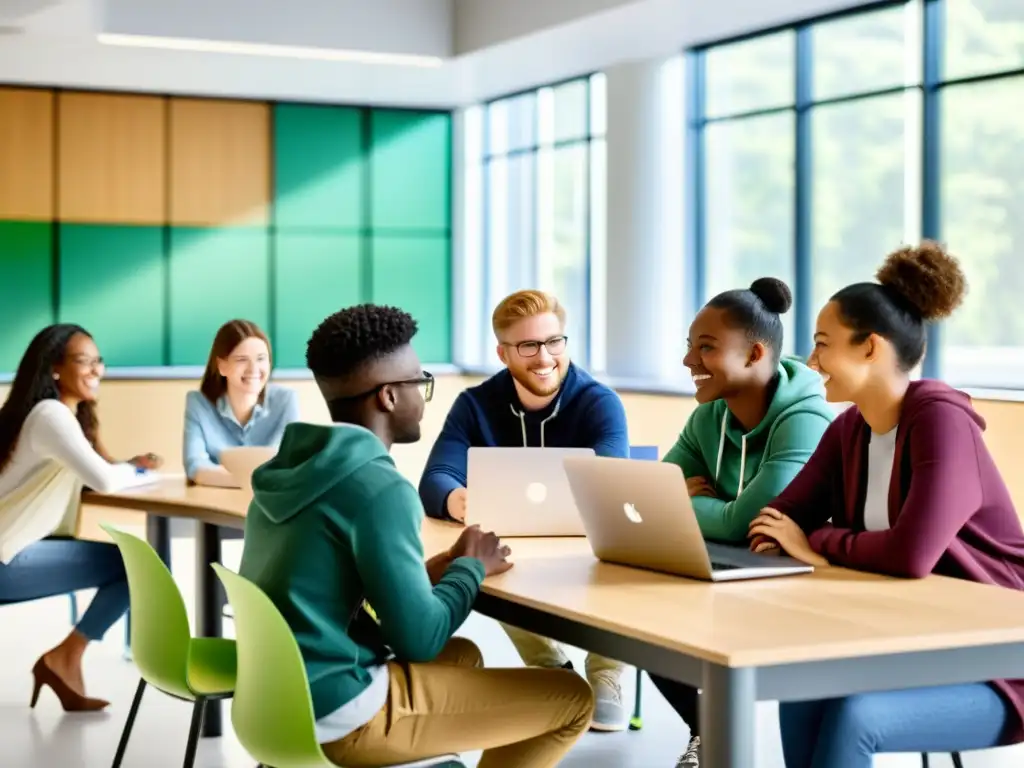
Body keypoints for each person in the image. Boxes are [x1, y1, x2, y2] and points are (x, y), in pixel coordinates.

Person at [238, 304, 595, 768]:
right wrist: (471, 567)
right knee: (571, 698)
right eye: (419, 382)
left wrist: (434, 570)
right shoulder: (378, 487)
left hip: (275, 701)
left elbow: (333, 594)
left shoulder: (290, 471)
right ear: (388, 397)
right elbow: (419, 641)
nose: (424, 396)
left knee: (461, 655)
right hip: (340, 713)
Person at [746, 242, 1024, 768]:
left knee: (856, 717)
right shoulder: (850, 428)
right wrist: (808, 542)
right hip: (906, 638)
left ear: (870, 348)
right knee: (801, 687)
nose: (811, 361)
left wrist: (818, 544)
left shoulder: (941, 421)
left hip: (998, 664)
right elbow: (771, 525)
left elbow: (910, 556)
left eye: (823, 344)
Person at [418, 289, 631, 731]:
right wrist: (457, 498)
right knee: (486, 562)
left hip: (586, 546)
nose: (545, 357)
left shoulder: (599, 401)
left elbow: (610, 483)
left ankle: (607, 671)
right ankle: (550, 667)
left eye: (554, 342)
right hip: (515, 545)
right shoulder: (475, 404)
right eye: (528, 346)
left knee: (619, 562)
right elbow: (436, 477)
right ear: (503, 353)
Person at [649, 277, 834, 767]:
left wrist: (694, 506)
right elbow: (653, 496)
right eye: (689, 347)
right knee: (644, 623)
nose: (690, 361)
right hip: (735, 570)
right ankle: (707, 732)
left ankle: (717, 738)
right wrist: (707, 510)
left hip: (803, 589)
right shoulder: (710, 415)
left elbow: (741, 522)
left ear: (754, 354)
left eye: (706, 348)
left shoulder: (806, 417)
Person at [0, 324, 161, 711]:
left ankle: (64, 660)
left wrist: (128, 467)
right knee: (142, 566)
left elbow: (96, 471)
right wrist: (139, 473)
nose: (95, 370)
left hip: (15, 552)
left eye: (98, 361)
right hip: (5, 560)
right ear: (55, 368)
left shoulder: (58, 416)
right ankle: (64, 658)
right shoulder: (50, 414)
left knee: (137, 564)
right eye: (83, 361)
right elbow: (105, 479)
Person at [183, 319, 300, 486]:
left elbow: (292, 463)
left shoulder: (285, 400)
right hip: (218, 500)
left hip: (271, 504)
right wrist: (251, 481)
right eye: (241, 359)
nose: (253, 369)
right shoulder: (198, 403)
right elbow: (195, 466)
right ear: (222, 366)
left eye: (261, 359)